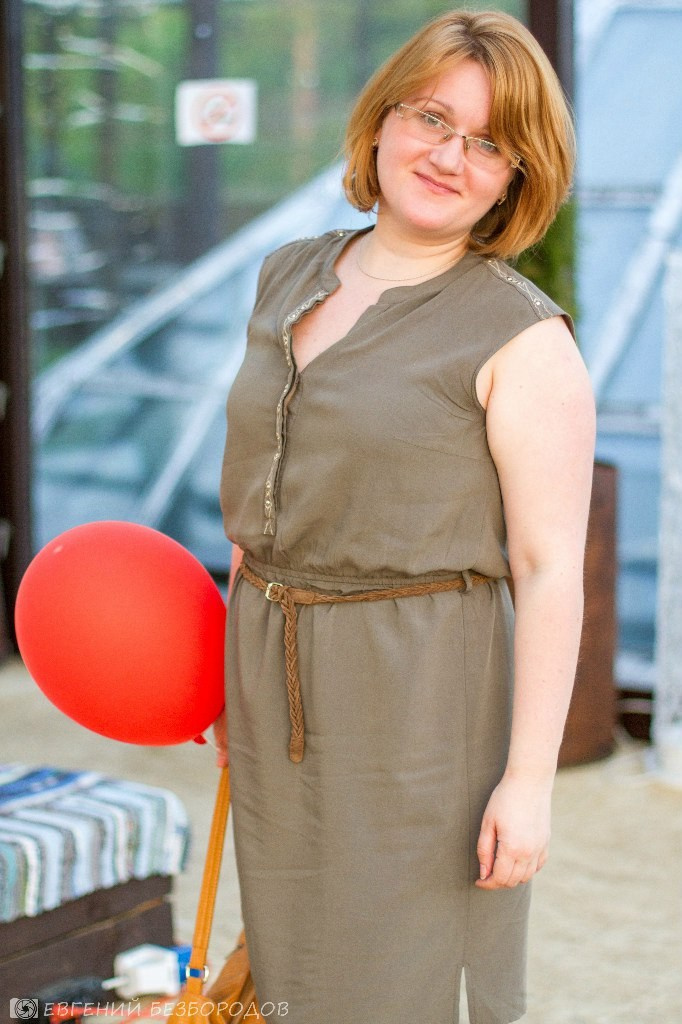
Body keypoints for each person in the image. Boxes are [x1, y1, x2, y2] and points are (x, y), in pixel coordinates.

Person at [213, 9, 595, 1024]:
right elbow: (260, 493)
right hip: (272, 670)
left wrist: (528, 784)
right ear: (382, 119)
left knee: (405, 971)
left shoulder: (522, 337)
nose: (449, 156)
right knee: (293, 957)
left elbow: (549, 568)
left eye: (489, 143)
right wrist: (231, 676)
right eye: (432, 118)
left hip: (424, 690)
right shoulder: (285, 274)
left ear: (514, 179)